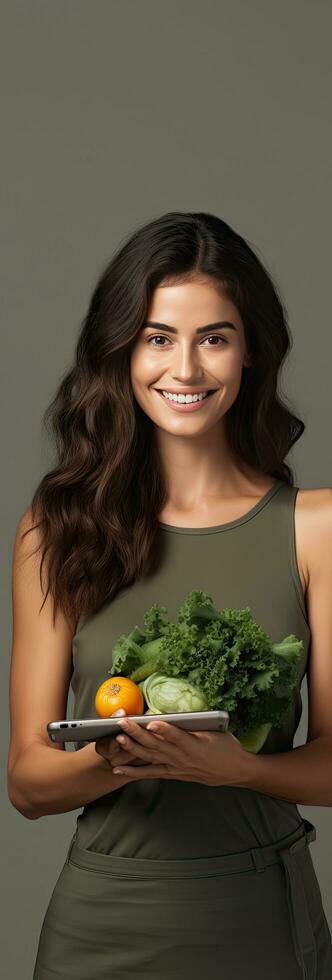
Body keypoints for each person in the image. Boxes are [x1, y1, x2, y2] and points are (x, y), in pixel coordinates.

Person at [8, 211, 332, 979]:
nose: (185, 370)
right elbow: (26, 780)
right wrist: (129, 758)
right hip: (100, 927)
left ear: (250, 351)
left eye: (213, 338)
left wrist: (237, 768)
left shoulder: (316, 529)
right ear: (120, 350)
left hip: (260, 923)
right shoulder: (52, 532)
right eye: (158, 338)